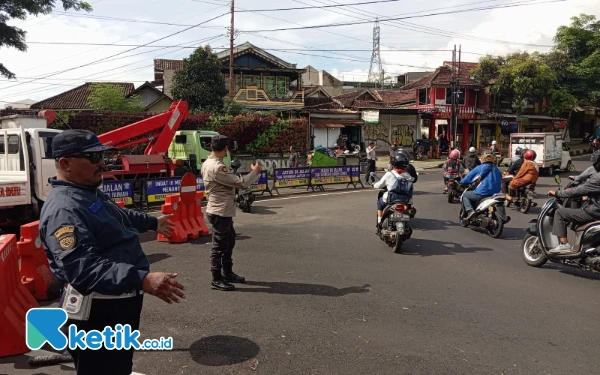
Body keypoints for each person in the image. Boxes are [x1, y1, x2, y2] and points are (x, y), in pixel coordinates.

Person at [39, 129, 185, 375]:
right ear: (66, 163)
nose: (101, 164)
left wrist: (152, 223)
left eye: (102, 156)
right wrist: (142, 279)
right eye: (93, 158)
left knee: (117, 366)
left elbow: (118, 216)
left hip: (116, 304)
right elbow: (82, 269)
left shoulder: (86, 192)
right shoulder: (65, 209)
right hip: (97, 313)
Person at [201, 135, 262, 291]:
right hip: (220, 210)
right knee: (220, 245)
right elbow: (240, 183)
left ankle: (227, 272)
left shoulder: (208, 163)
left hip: (221, 209)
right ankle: (216, 278)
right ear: (225, 149)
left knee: (229, 241)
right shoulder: (217, 167)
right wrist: (254, 172)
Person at [548, 150, 600, 253]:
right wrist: (589, 197)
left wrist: (558, 193)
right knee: (576, 222)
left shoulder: (597, 178)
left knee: (560, 213)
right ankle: (581, 245)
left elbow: (579, 190)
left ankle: (564, 244)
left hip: (594, 212)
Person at [373, 153, 414, 230]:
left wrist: (374, 185)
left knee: (380, 204)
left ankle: (379, 222)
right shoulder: (408, 175)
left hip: (392, 199)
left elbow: (379, 185)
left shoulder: (389, 174)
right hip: (405, 200)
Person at [459, 152, 502, 220]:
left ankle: (470, 211)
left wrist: (461, 182)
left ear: (482, 159)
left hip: (483, 192)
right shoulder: (496, 169)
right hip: (496, 193)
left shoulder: (480, 167)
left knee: (466, 195)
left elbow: (468, 178)